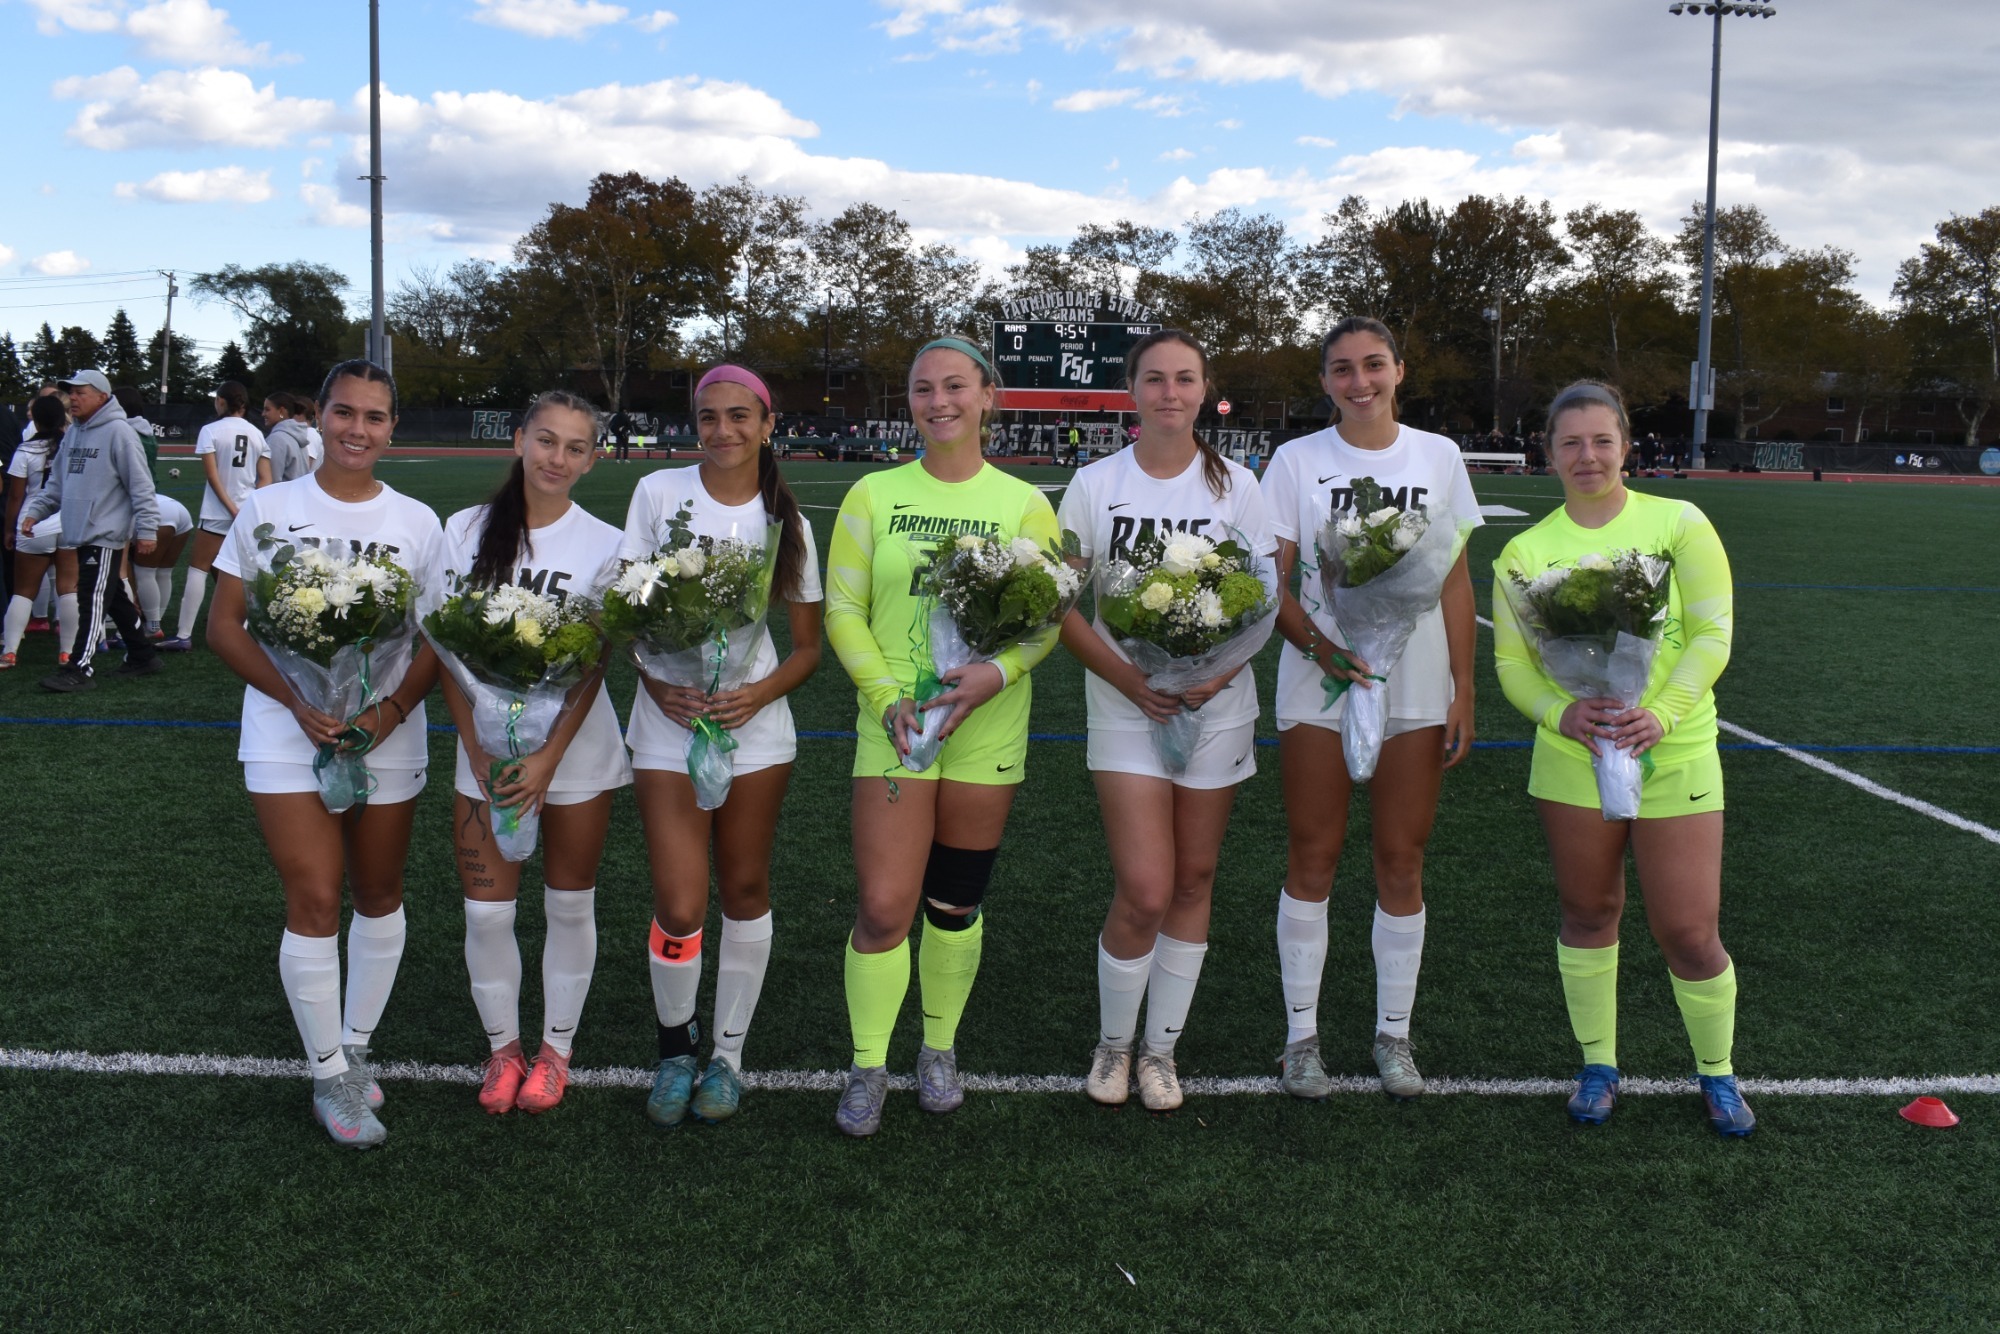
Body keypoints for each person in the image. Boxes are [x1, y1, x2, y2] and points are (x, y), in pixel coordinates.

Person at [1492, 380, 1752, 1138]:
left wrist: (1659, 715)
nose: (1587, 456)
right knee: (1588, 911)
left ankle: (1718, 1073)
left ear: (1626, 444)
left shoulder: (1680, 522)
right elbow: (1514, 666)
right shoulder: (1524, 551)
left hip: (1676, 750)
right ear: (1547, 453)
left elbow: (1712, 634)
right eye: (1570, 443)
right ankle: (1598, 1066)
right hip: (1572, 758)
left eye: (1601, 440)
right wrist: (1563, 712)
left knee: (1689, 932)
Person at [823, 337, 1062, 1137]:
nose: (940, 402)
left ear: (987, 396)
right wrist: (887, 695)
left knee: (953, 904)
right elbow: (842, 611)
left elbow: (1045, 622)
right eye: (924, 389)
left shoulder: (1025, 503)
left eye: (956, 386)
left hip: (985, 729)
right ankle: (866, 1066)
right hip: (894, 729)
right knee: (886, 907)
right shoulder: (871, 494)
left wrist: (998, 673)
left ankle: (938, 1049)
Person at [204, 359, 444, 1150]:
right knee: (313, 895)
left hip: (385, 733)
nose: (357, 430)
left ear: (391, 428)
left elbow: (434, 642)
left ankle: (358, 1045)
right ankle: (331, 1075)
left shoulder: (417, 522)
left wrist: (390, 710)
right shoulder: (268, 508)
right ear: (321, 418)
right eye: (345, 413)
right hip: (285, 731)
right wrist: (297, 701)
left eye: (375, 418)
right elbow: (225, 626)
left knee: (378, 892)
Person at [1260, 317, 1481, 1100]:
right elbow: (1271, 583)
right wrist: (1323, 650)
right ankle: (1301, 1040)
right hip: (1319, 680)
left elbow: (1453, 579)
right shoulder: (1295, 460)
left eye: (1374, 366)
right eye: (1343, 370)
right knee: (1313, 856)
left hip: (1415, 686)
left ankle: (1394, 1036)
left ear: (1400, 370)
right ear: (1325, 382)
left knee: (1401, 858)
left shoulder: (1440, 455)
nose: (1360, 382)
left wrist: (1464, 687)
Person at [1057, 330, 1277, 1112]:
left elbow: (1258, 602)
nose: (1170, 394)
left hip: (1217, 704)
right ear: (1132, 391)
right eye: (1155, 380)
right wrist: (1132, 677)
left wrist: (1214, 673)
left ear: (1204, 389)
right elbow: (1063, 606)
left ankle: (1160, 1052)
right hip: (1126, 704)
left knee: (1194, 878)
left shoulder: (1238, 487)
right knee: (1145, 887)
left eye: (1185, 379)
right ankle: (1114, 1044)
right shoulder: (1092, 483)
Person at [621, 365, 822, 1127]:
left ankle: (728, 1058)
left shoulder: (787, 522)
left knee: (743, 890)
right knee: (679, 903)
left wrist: (754, 696)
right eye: (709, 417)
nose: (724, 431)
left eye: (741, 416)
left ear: (769, 424)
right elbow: (626, 613)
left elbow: (806, 650)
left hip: (754, 729)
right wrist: (655, 682)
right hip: (667, 725)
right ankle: (677, 1048)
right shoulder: (658, 495)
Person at [438, 390, 631, 1117]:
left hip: (574, 753)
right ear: (518, 439)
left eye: (576, 447)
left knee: (568, 905)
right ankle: (502, 1052)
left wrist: (547, 758)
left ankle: (555, 1053)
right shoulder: (462, 531)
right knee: (487, 915)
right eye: (545, 440)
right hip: (484, 753)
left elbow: (594, 663)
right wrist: (478, 752)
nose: (558, 458)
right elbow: (447, 654)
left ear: (592, 458)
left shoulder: (607, 544)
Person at [16, 371, 163, 691]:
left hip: (104, 534)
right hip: (78, 531)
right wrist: (35, 512)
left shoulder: (120, 433)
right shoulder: (73, 434)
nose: (74, 399)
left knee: (91, 597)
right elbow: (56, 483)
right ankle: (142, 655)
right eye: (71, 393)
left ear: (101, 395)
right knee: (113, 600)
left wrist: (147, 528)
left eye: (80, 393)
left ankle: (79, 668)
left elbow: (142, 486)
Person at [164, 380, 270, 651]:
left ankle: (184, 634)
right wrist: (247, 509)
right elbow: (266, 479)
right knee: (245, 573)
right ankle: (248, 631)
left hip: (217, 514)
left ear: (222, 402)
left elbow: (213, 476)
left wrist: (231, 508)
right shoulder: (257, 434)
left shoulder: (210, 430)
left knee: (198, 568)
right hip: (247, 514)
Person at [1, 394, 78, 669]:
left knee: (23, 591)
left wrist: (10, 528)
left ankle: (10, 652)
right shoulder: (73, 446)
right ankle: (67, 653)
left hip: (33, 524)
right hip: (67, 522)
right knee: (68, 589)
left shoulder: (25, 451)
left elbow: (15, 496)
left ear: (34, 417)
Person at [130, 490, 193, 640]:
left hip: (154, 513)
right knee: (164, 572)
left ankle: (153, 625)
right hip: (179, 509)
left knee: (144, 572)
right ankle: (156, 619)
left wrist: (133, 595)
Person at [263, 392, 315, 483]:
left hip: (280, 496)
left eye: (267, 410)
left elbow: (270, 481)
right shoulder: (297, 436)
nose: (263, 414)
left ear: (281, 411)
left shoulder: (277, 439)